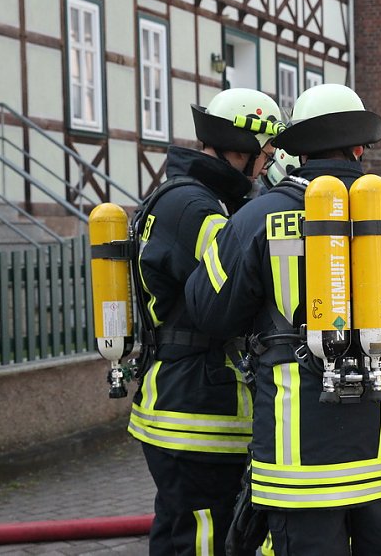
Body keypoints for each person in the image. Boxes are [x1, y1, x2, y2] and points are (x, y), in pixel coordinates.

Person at [184, 83, 381, 556]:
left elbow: (208, 312)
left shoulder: (256, 218)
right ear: (360, 147)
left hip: (298, 463)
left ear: (295, 149)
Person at [126, 87, 284, 555]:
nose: (268, 167)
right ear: (242, 149)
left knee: (192, 533)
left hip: (187, 397)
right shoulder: (197, 209)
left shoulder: (191, 198)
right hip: (194, 406)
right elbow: (240, 287)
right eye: (267, 155)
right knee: (201, 540)